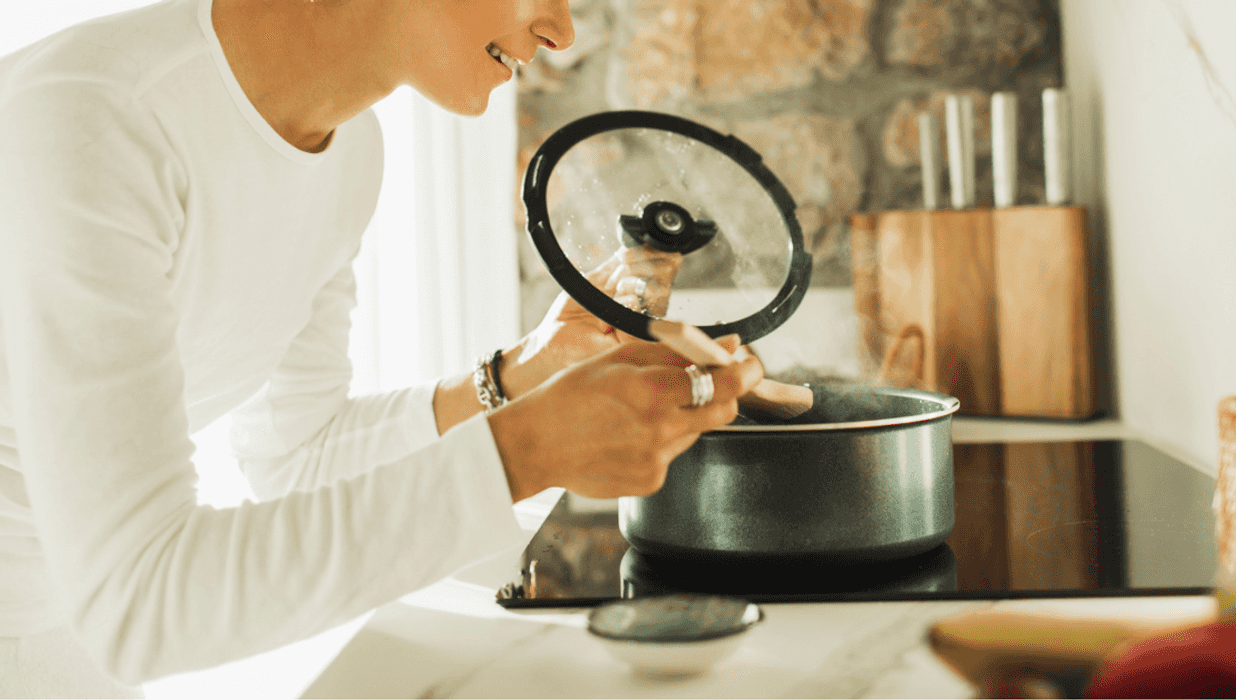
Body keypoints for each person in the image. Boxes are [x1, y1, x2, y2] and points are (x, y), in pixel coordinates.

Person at [0, 0, 763, 695]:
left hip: (71, 643)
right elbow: (144, 601)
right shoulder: (89, 119)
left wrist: (520, 376)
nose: (562, 32)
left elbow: (294, 454)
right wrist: (524, 450)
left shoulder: (349, 151)